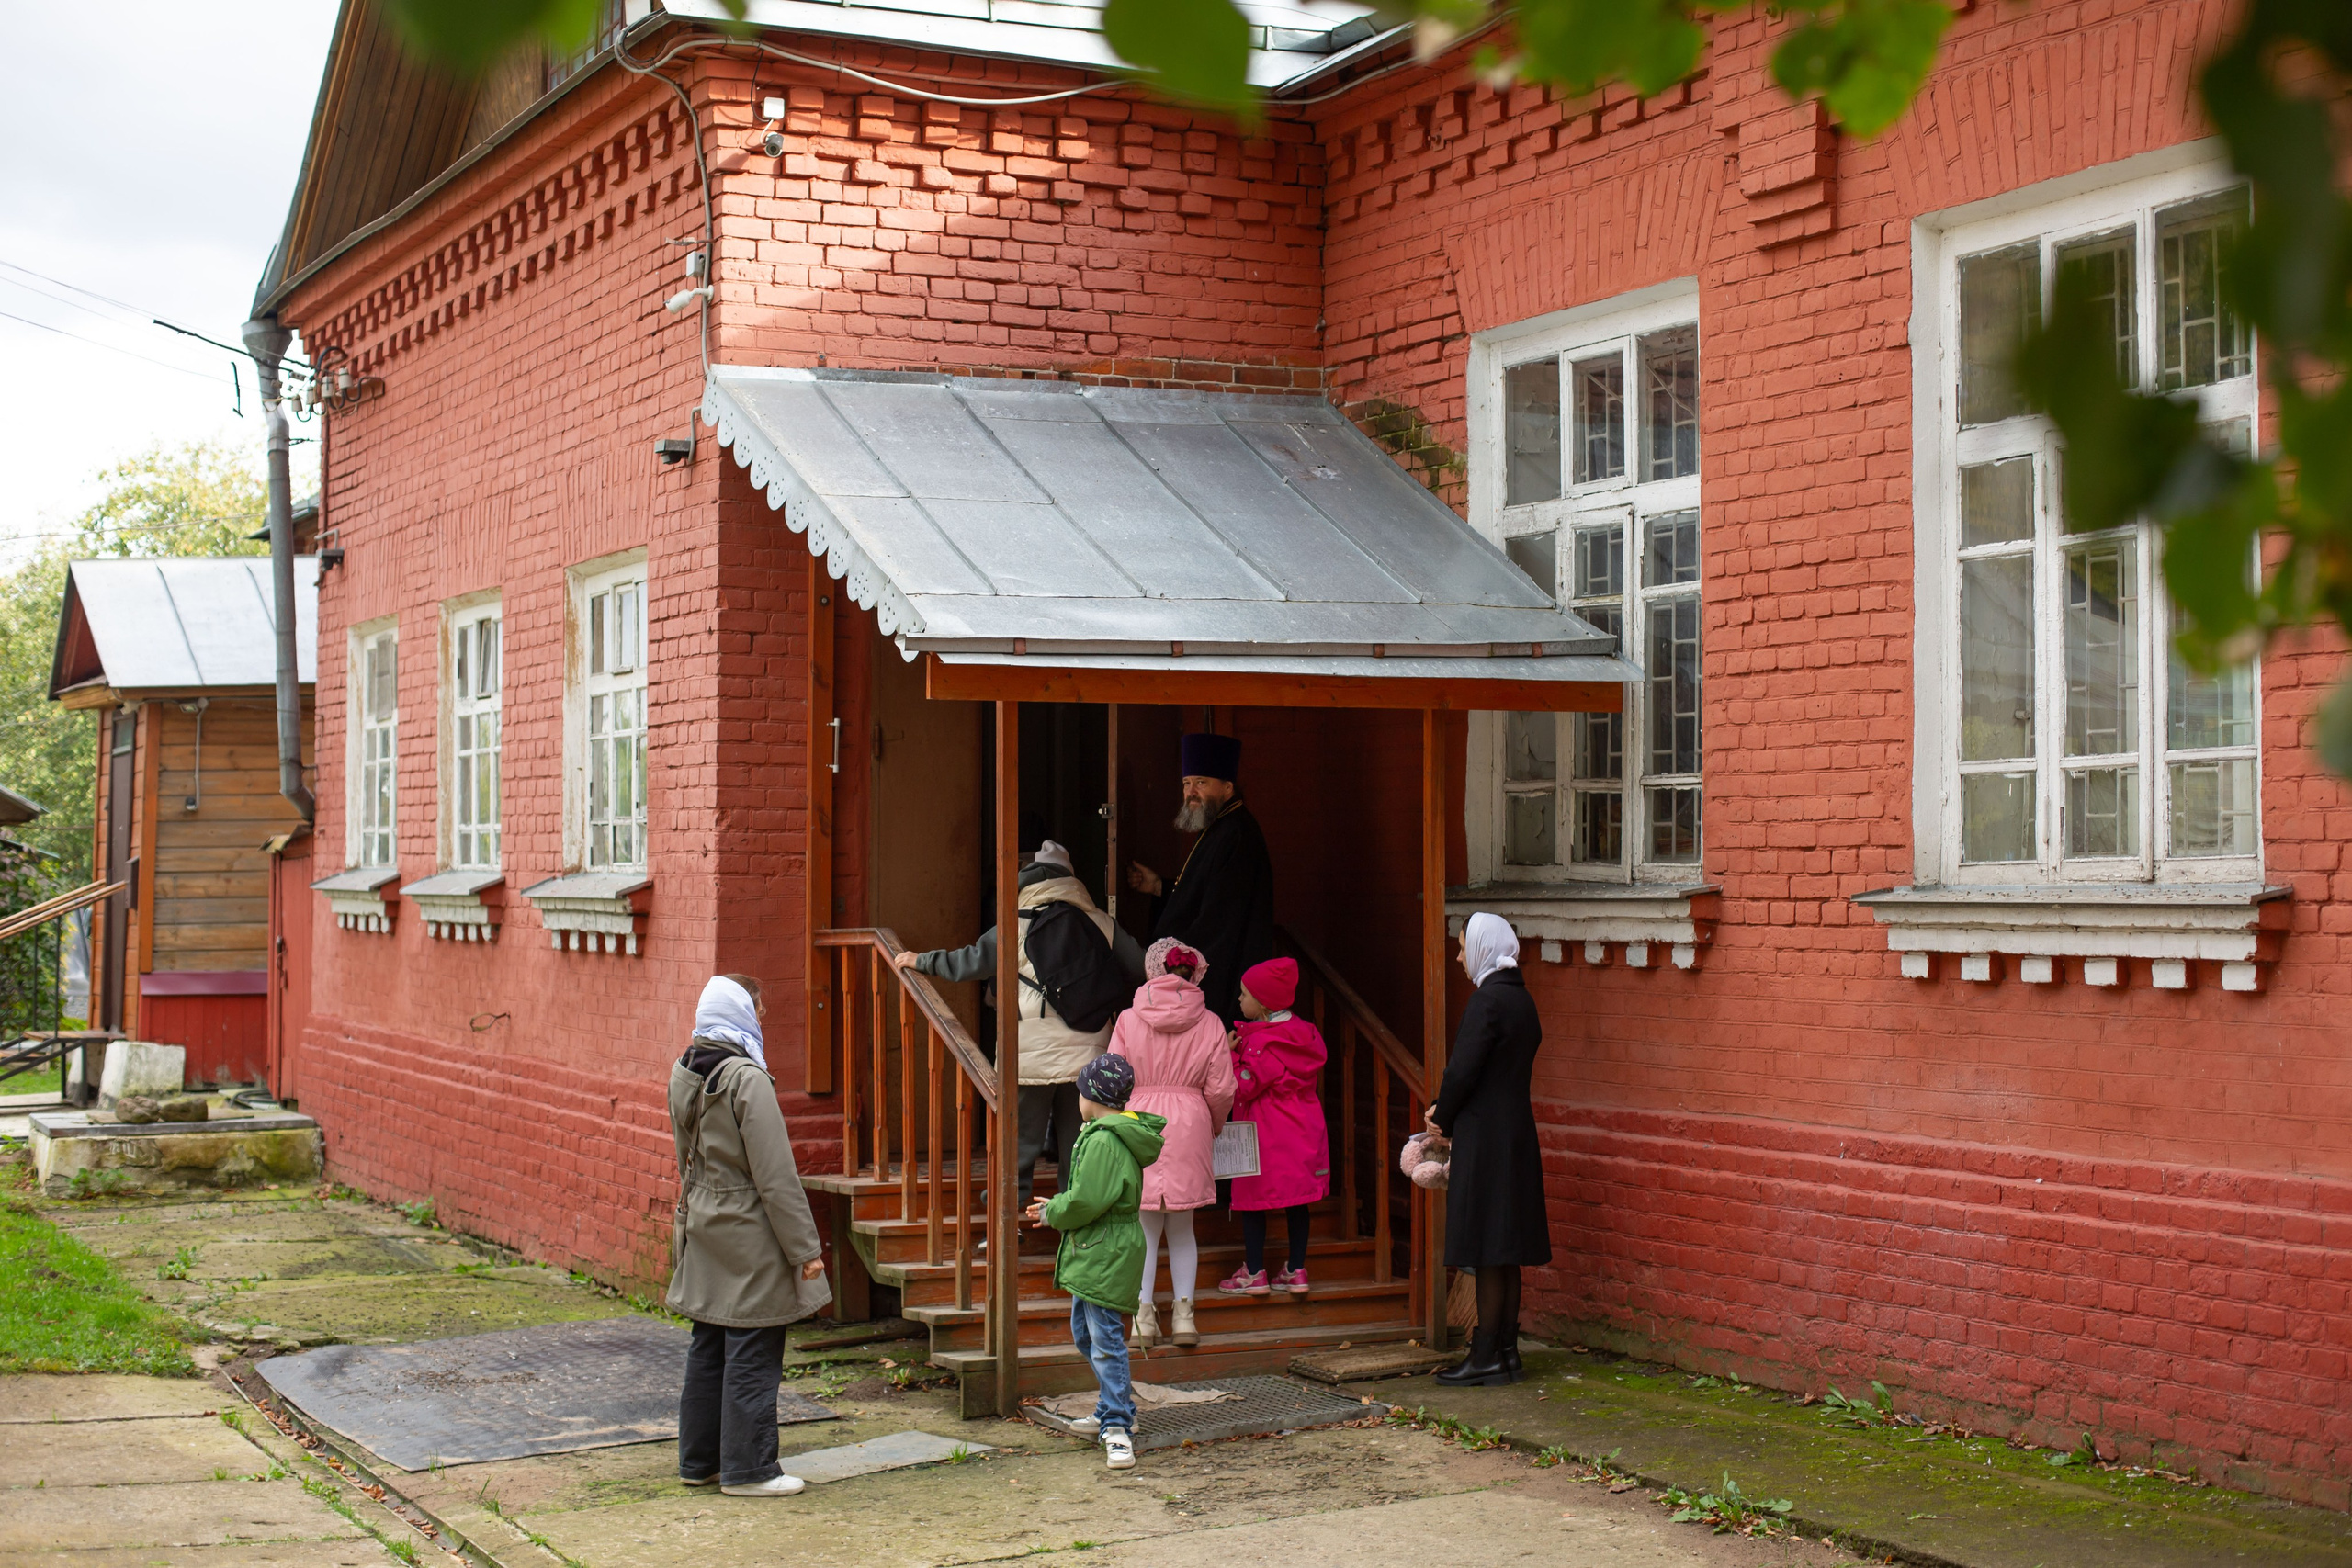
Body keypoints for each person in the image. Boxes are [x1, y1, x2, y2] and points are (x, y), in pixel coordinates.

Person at [899, 838, 1143, 1207]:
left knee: (1017, 1144)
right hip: (1090, 1050)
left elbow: (969, 962)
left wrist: (922, 961)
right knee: (1081, 1142)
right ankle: (1076, 1220)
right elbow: (1143, 966)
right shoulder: (1100, 921)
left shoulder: (1016, 922)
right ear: (1071, 880)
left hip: (1029, 1052)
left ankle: (1008, 1222)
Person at [665, 974, 831, 1497]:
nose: (762, 1020)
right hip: (751, 1232)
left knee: (708, 1343)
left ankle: (700, 1463)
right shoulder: (746, 1078)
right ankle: (750, 1470)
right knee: (753, 1349)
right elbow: (776, 1176)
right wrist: (806, 1250)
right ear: (741, 1012)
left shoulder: (684, 1069)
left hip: (705, 1219)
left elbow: (683, 1156)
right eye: (758, 1011)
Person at [1425, 914, 1550, 1387]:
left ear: (1481, 947)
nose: (1458, 956)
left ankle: (1484, 1356)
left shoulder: (1487, 1002)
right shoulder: (1521, 999)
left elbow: (1462, 1070)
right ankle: (1506, 1351)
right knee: (1506, 1246)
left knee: (1487, 1246)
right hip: (1516, 1132)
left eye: (1462, 947)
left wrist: (1441, 1114)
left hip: (1486, 1137)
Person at [1025, 1052, 1164, 1471]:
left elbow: (1088, 1199)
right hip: (1099, 1248)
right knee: (1089, 1337)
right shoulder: (1103, 1133)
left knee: (1104, 1340)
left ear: (1093, 1095)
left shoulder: (1103, 1138)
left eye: (1080, 1091)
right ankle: (1110, 1410)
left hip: (1104, 1248)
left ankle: (1119, 1425)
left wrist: (1056, 1211)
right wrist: (1063, 1206)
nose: (1077, 1099)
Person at [1107, 940, 1234, 1348]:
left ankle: (1143, 1318)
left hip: (1139, 1117)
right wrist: (1213, 1124)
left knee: (1143, 1226)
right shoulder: (1211, 1021)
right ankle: (1184, 1318)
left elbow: (1114, 1078)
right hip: (1189, 1119)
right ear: (1192, 974)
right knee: (1183, 1227)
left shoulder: (1128, 1019)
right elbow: (1222, 1087)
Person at [1126, 732, 1274, 1025]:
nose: (1191, 791)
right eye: (1186, 783)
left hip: (1219, 985)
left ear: (1228, 787)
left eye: (1201, 783)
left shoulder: (1237, 836)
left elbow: (1220, 923)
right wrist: (1159, 887)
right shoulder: (1219, 827)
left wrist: (1176, 970)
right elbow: (1205, 896)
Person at [1219, 956, 1328, 1298]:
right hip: (1302, 1129)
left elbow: (1246, 1085)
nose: (1239, 999)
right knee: (1298, 1201)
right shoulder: (1304, 1034)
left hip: (1263, 1133)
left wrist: (1230, 1054)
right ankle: (1296, 1270)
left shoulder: (1261, 1042)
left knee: (1253, 1199)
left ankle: (1254, 1272)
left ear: (1263, 1004)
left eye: (1245, 994)